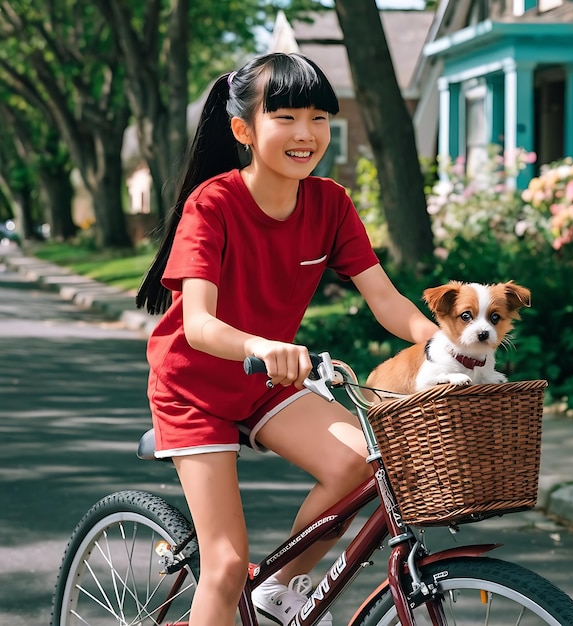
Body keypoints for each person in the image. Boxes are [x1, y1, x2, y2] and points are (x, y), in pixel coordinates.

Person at [136, 52, 437, 626]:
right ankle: (240, 593)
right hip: (194, 389)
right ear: (244, 130)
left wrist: (440, 346)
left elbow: (388, 301)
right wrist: (259, 346)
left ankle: (277, 593)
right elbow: (197, 324)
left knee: (362, 464)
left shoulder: (331, 203)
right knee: (224, 568)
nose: (306, 133)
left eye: (319, 117)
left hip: (264, 383)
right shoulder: (213, 204)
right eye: (287, 117)